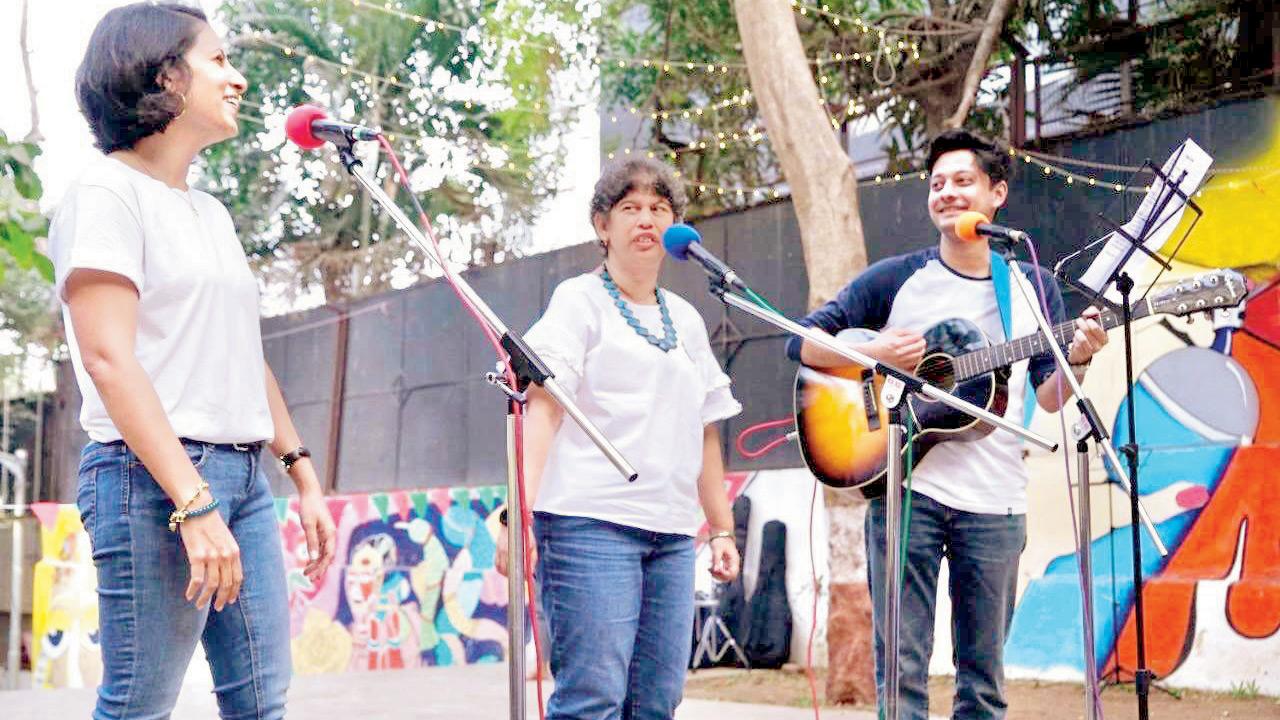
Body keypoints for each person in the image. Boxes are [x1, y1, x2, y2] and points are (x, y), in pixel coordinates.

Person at [49, 4, 337, 718]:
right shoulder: (103, 193)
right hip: (152, 481)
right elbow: (110, 359)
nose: (237, 79)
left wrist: (301, 474)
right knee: (140, 705)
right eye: (219, 61)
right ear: (164, 75)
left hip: (240, 478)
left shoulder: (210, 212)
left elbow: (241, 354)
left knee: (262, 700)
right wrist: (193, 501)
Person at [786, 129, 1109, 720]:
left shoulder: (1029, 285)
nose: (947, 193)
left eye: (963, 181)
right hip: (906, 489)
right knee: (900, 673)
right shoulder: (895, 279)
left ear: (997, 194)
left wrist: (1080, 356)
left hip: (996, 501)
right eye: (937, 184)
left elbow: (1052, 394)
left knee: (983, 682)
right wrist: (875, 354)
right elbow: (802, 344)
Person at [495, 157, 743, 719]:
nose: (646, 219)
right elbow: (544, 410)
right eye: (630, 208)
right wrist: (519, 515)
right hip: (590, 527)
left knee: (657, 703)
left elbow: (704, 430)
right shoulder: (578, 300)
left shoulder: (686, 319)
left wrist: (721, 528)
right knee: (593, 700)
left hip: (673, 536)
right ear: (602, 227)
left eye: (659, 208)